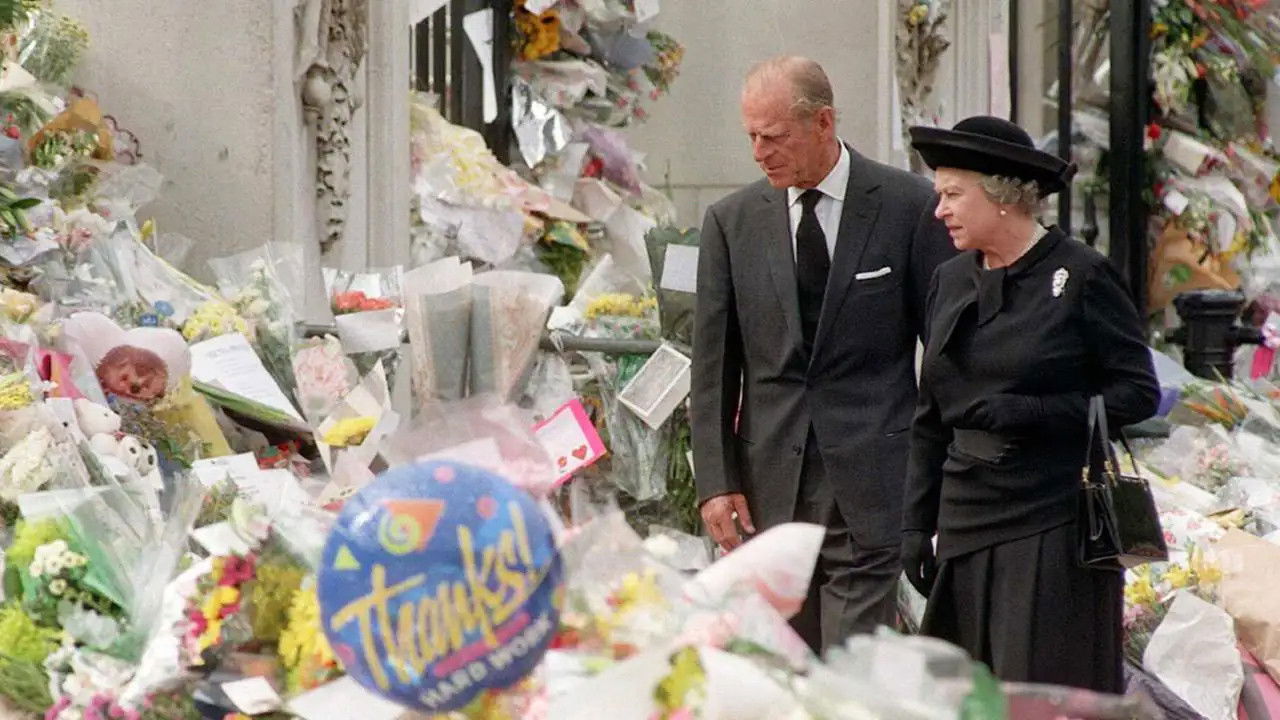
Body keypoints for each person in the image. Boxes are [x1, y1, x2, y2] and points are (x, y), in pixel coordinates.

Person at [691, 55, 954, 653]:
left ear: (823, 123)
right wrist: (715, 482)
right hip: (767, 488)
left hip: (874, 480)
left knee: (851, 665)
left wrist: (938, 474)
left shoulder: (908, 206)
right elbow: (711, 370)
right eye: (751, 136)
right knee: (781, 665)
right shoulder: (730, 223)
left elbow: (944, 353)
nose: (759, 152)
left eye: (773, 136)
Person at [901, 115, 1160, 691]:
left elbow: (1138, 392)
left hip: (1050, 522)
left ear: (1002, 196)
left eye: (952, 195)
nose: (939, 211)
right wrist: (915, 524)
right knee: (965, 696)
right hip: (965, 520)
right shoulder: (949, 279)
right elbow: (929, 415)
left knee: (1038, 694)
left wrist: (1036, 412)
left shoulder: (1083, 275)